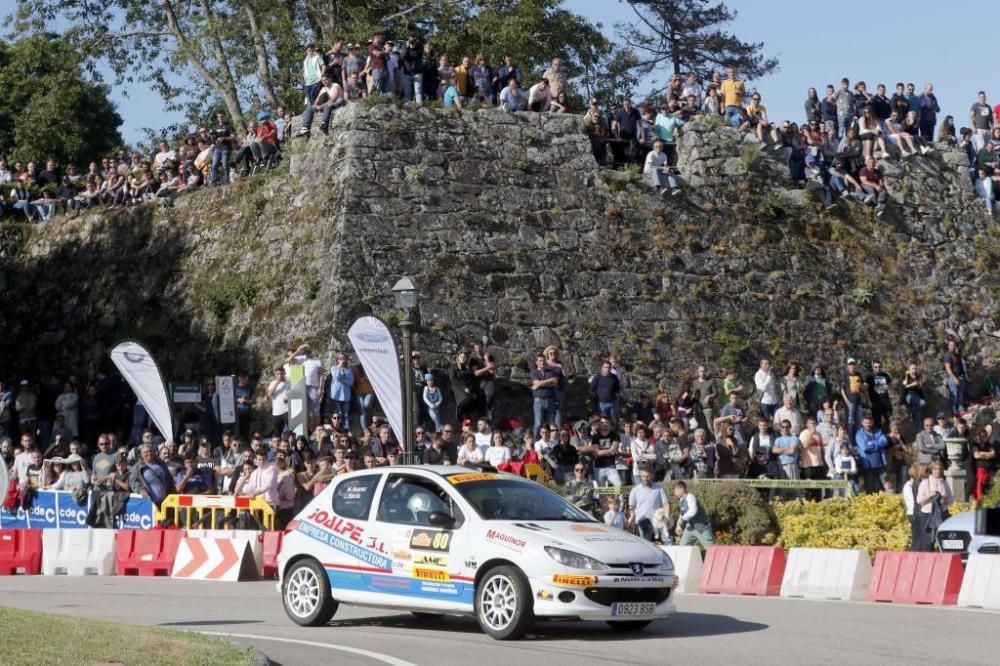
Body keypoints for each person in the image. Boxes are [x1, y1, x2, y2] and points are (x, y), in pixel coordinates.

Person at [627, 469, 670, 543]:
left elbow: (666, 504)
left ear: (652, 476)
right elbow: (631, 507)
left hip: (657, 521)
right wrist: (631, 520)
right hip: (642, 521)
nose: (645, 479)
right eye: (643, 476)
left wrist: (667, 517)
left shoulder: (659, 488)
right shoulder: (635, 490)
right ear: (641, 476)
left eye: (647, 476)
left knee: (668, 540)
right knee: (647, 543)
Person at [917, 460, 952, 547]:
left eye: (939, 469)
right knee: (928, 540)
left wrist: (945, 501)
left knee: (944, 539)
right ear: (931, 470)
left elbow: (951, 498)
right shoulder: (925, 483)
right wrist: (930, 495)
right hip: (928, 515)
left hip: (942, 513)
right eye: (935, 469)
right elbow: (919, 500)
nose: (938, 471)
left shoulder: (944, 483)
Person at [673, 480, 715, 547]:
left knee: (711, 549)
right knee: (683, 547)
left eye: (675, 491)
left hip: (702, 528)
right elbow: (682, 513)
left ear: (681, 490)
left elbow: (693, 510)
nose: (674, 493)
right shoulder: (681, 500)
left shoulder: (690, 497)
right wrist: (679, 524)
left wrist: (682, 519)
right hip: (690, 528)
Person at [855, 416, 888, 494]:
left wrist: (872, 443)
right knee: (870, 489)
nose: (868, 424)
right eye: (866, 423)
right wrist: (877, 444)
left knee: (883, 489)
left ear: (872, 422)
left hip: (880, 464)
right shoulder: (859, 434)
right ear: (862, 423)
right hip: (868, 466)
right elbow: (865, 448)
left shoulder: (878, 431)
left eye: (869, 422)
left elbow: (884, 442)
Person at [903, 463, 929, 551]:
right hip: (915, 514)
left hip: (918, 513)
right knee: (918, 539)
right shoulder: (910, 486)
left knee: (922, 539)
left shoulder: (918, 484)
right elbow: (914, 502)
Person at [943, 338, 967, 416]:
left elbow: (962, 365)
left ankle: (961, 409)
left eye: (954, 345)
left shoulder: (957, 354)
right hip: (952, 378)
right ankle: (955, 412)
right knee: (955, 395)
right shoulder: (948, 355)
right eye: (951, 345)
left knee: (961, 394)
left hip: (960, 376)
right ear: (948, 346)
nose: (953, 347)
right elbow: (948, 368)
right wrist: (954, 378)